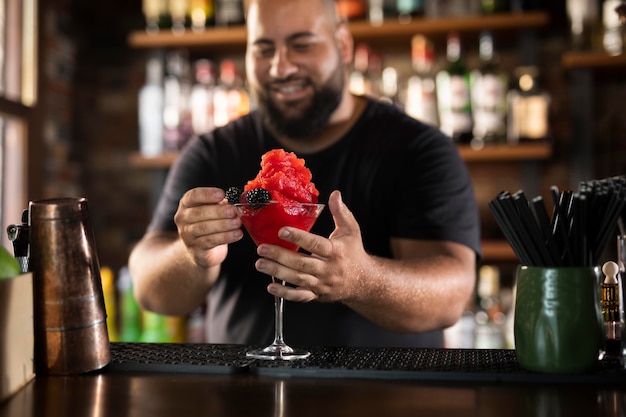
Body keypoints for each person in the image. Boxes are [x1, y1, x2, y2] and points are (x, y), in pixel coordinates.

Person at [128, 0, 481, 348]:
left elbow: (454, 295)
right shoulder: (212, 152)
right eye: (263, 49)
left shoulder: (418, 148)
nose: (281, 67)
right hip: (242, 394)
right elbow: (150, 290)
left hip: (383, 396)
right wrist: (191, 255)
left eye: (302, 45)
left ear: (343, 45)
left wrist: (361, 281)